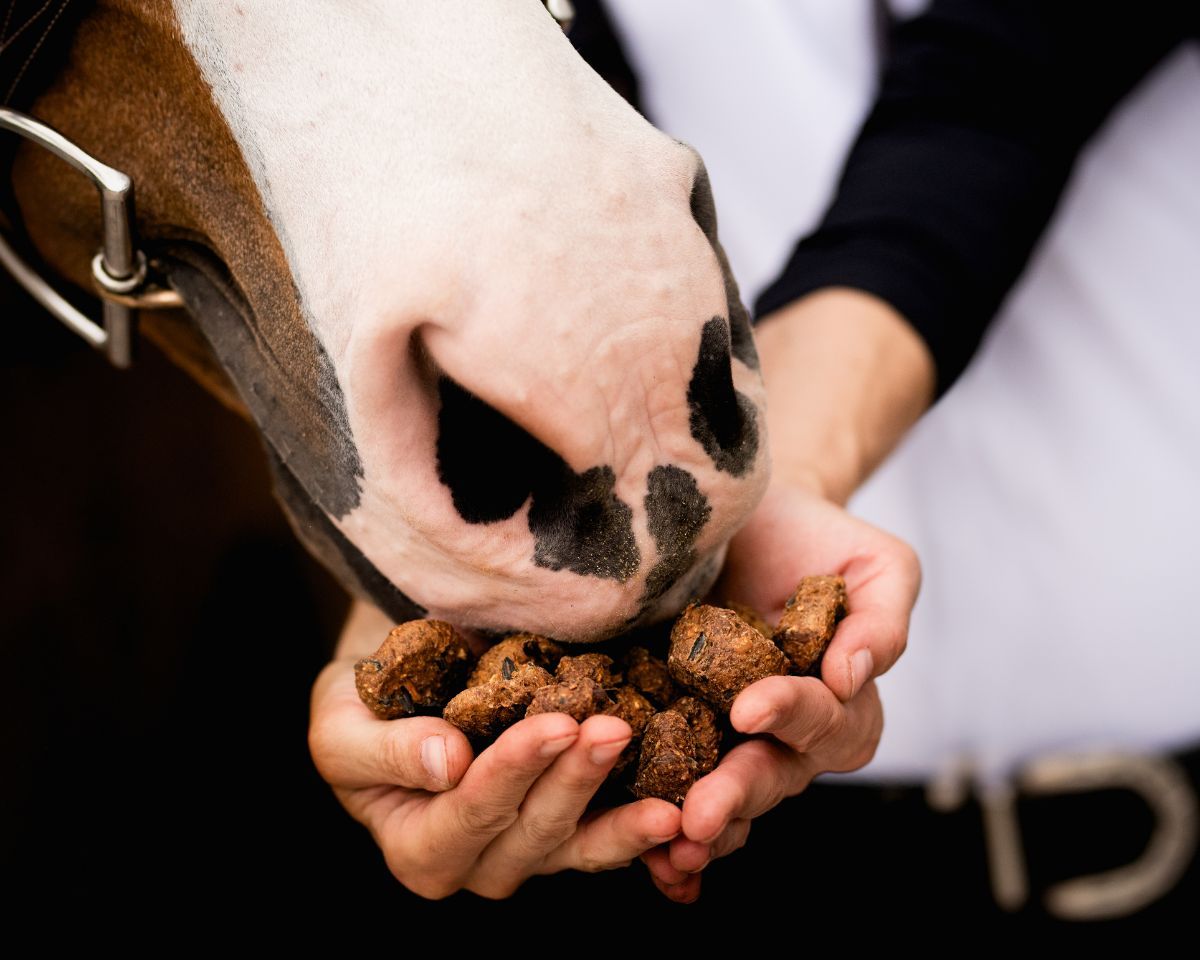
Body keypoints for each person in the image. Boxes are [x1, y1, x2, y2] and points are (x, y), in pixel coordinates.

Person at [309, 0, 1200, 923]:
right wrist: (441, 573)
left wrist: (771, 475)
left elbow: (1000, 85)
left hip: (1164, 827)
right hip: (738, 851)